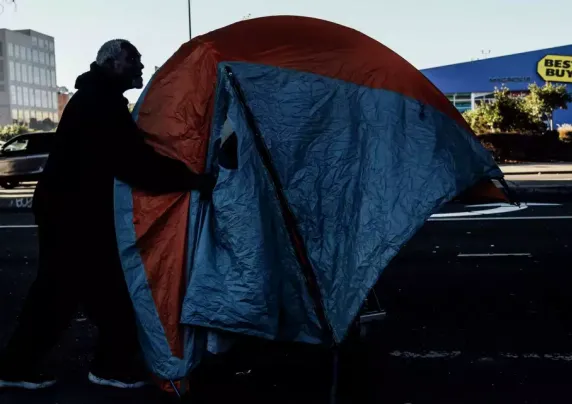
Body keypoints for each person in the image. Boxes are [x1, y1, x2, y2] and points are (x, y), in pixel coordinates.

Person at [0, 39, 215, 390]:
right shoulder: (100, 104)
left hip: (72, 212)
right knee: (78, 292)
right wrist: (192, 180)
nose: (141, 66)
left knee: (81, 292)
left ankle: (75, 364)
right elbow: (135, 162)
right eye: (134, 60)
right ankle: (90, 365)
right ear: (113, 63)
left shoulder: (98, 99)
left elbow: (130, 158)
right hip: (75, 216)